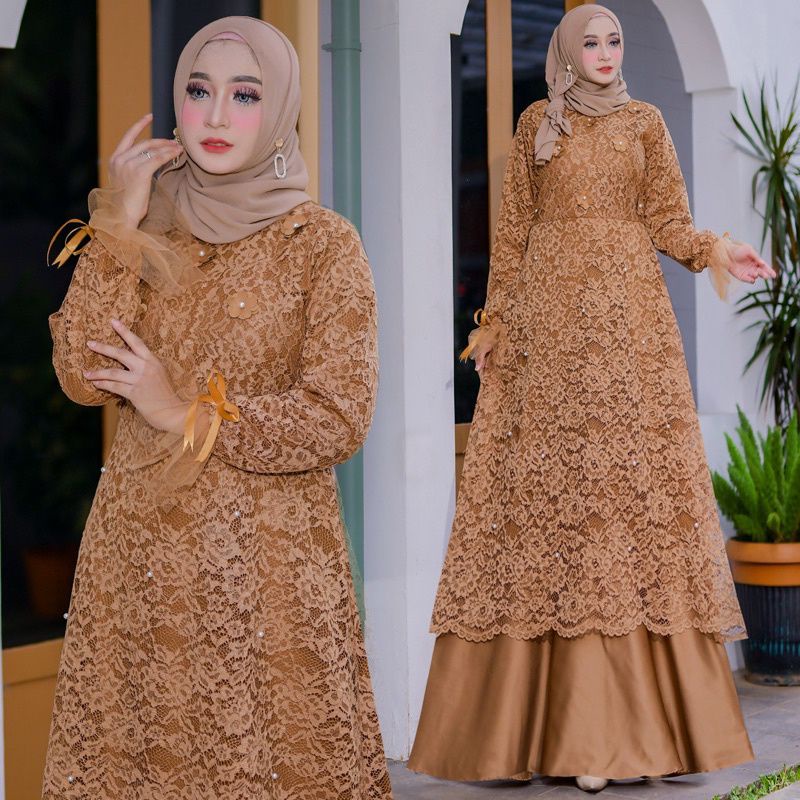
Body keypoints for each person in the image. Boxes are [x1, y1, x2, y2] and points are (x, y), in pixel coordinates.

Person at [408, 5, 773, 794]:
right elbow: (512, 236)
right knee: (551, 504)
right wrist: (495, 325)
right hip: (547, 337)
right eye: (592, 43)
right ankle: (545, 736)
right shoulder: (535, 124)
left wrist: (718, 249)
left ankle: (623, 737)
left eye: (614, 41)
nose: (606, 53)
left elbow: (670, 223)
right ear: (568, 54)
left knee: (621, 503)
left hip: (629, 337)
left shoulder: (644, 123)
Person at [43, 17, 392, 799]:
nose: (217, 115)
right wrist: (118, 224)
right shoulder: (147, 231)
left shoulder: (322, 244)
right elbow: (80, 376)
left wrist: (184, 413)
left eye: (246, 94)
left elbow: (339, 415)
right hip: (141, 562)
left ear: (280, 108)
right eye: (200, 91)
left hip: (268, 568)